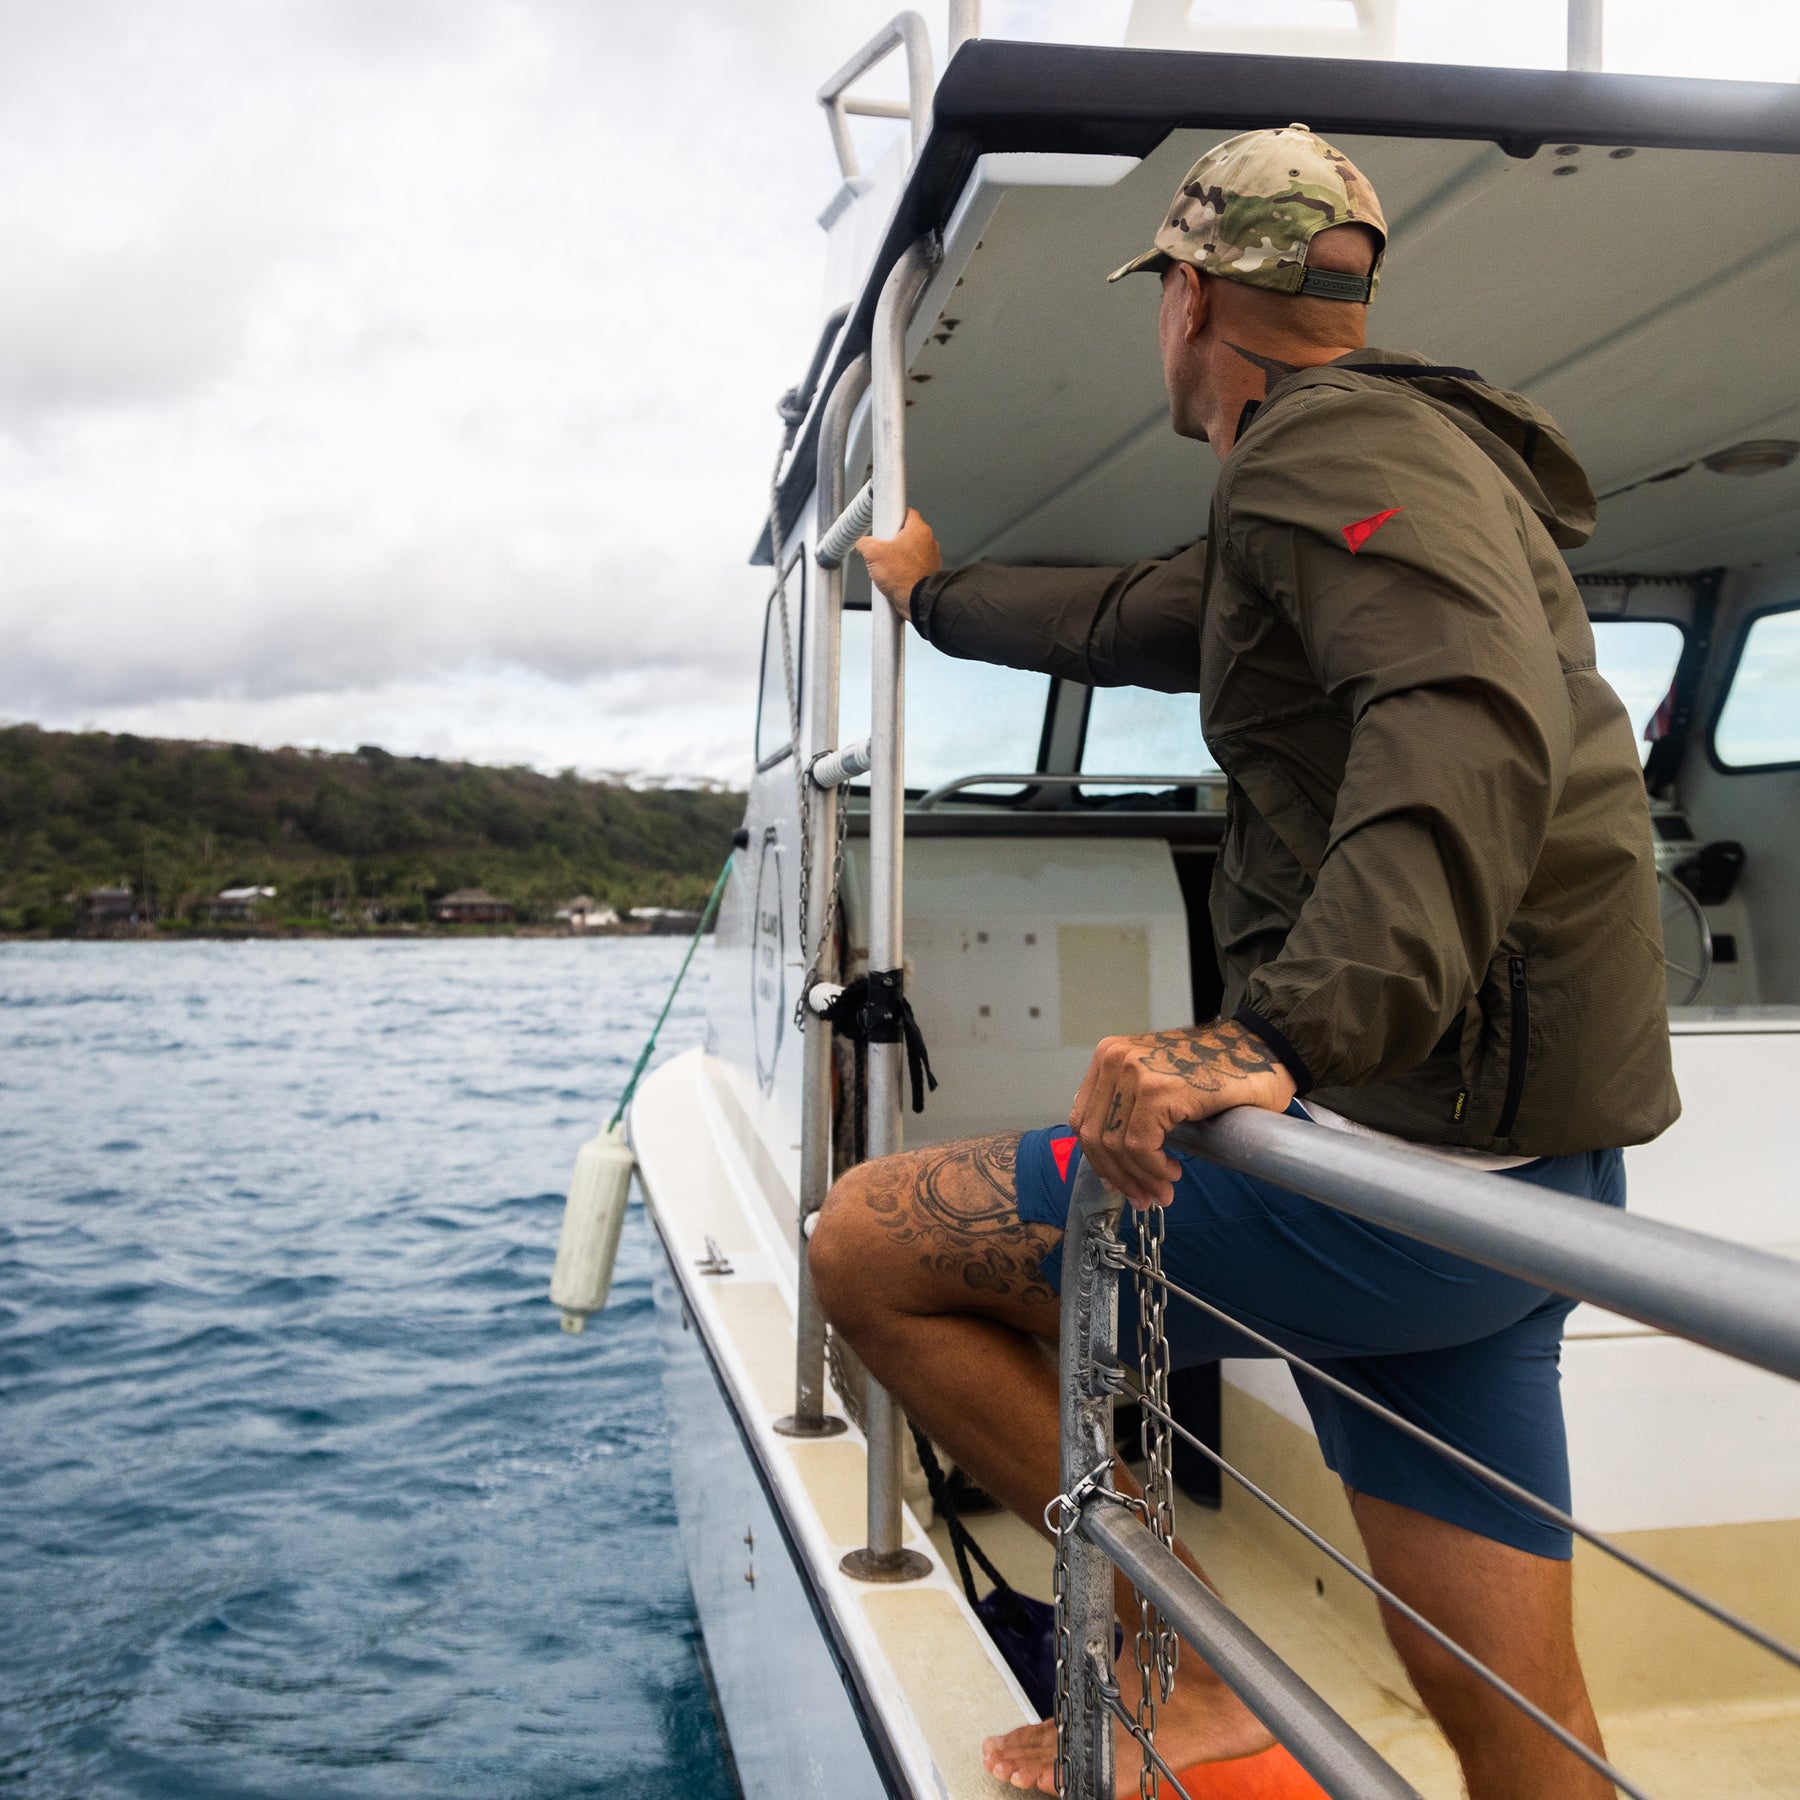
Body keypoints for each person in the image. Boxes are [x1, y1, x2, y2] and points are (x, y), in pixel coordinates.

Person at [807, 123, 1677, 1800]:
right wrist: (935, 597)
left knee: (866, 1245)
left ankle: (1180, 1674)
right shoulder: (1383, 454)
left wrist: (1273, 1030)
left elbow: (1461, 714)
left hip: (1396, 1169)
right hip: (1516, 1189)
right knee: (1520, 1718)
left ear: (1189, 297)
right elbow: (1147, 616)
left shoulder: (1324, 449)